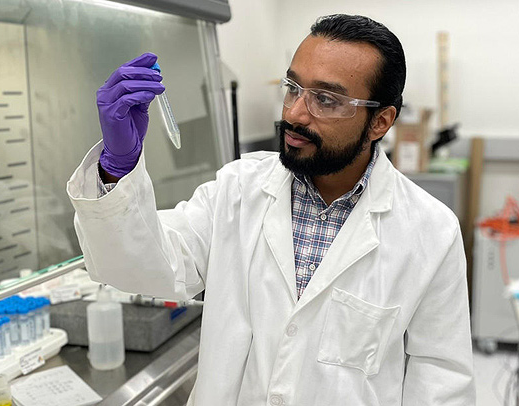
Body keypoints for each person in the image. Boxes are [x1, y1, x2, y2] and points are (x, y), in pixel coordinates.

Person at [67, 14, 475, 405]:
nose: (295, 113)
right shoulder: (238, 189)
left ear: (380, 122)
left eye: (326, 99)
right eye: (293, 88)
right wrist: (115, 169)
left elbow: (441, 381)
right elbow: (134, 266)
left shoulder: (430, 232)